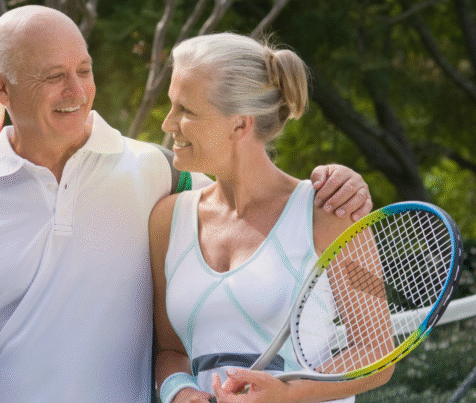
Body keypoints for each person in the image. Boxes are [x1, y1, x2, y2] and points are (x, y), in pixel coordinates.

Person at [0, 6, 373, 403]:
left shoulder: (161, 174)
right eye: (54, 76)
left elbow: (253, 190)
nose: (76, 92)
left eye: (83, 70)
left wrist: (340, 184)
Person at [149, 33, 393, 403]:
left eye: (187, 111)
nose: (168, 123)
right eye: (172, 105)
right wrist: (180, 393)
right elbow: (170, 350)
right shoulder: (167, 220)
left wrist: (284, 394)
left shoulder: (331, 212)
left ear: (240, 125)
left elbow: (377, 353)